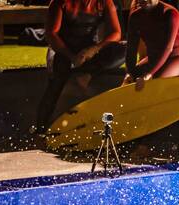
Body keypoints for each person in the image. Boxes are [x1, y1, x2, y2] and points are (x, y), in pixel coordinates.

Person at [35, 0, 126, 133]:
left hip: (88, 51)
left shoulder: (105, 2)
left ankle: (86, 74)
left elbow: (116, 33)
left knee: (122, 49)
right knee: (57, 80)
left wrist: (94, 49)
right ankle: (40, 129)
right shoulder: (59, 2)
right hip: (62, 50)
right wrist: (72, 57)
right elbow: (51, 34)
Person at [124, 0, 179, 91]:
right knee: (131, 80)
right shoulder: (135, 17)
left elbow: (168, 48)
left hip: (175, 59)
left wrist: (149, 73)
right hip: (153, 59)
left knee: (153, 84)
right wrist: (129, 73)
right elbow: (131, 48)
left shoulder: (170, 14)